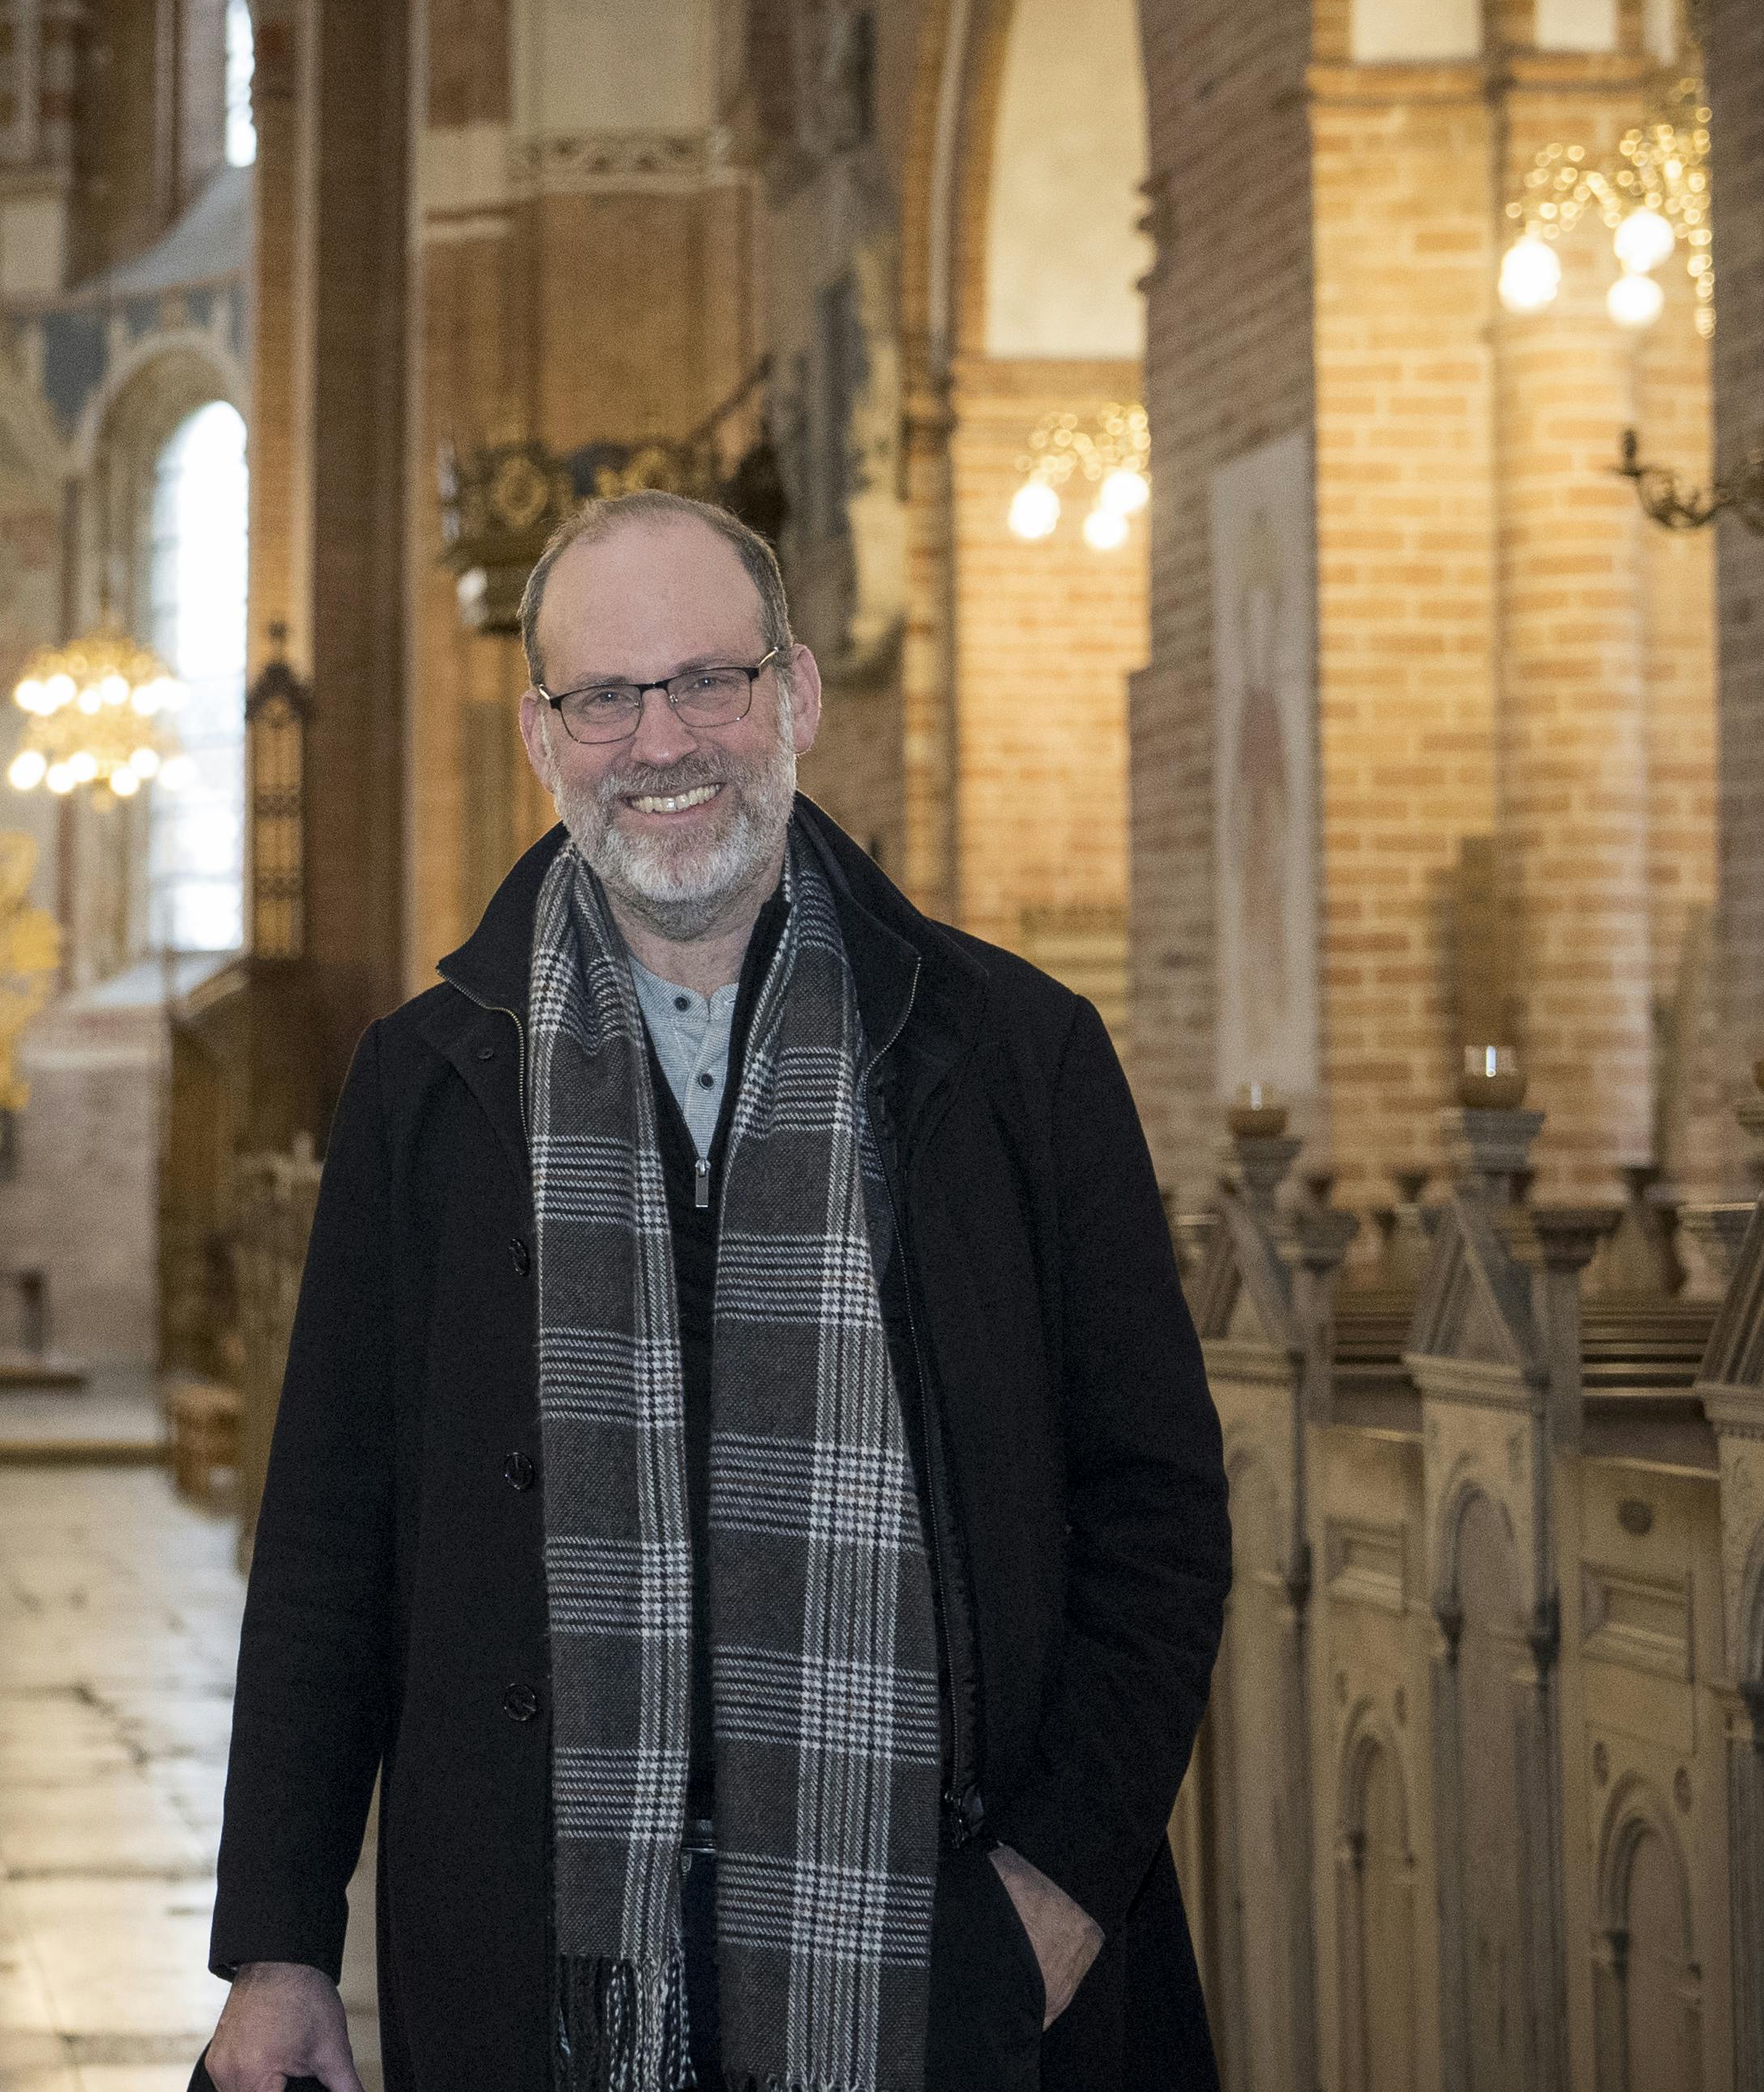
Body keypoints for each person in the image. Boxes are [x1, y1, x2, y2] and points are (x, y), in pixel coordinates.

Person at [199, 490, 1229, 2091]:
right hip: (542, 1968)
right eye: (601, 698)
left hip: (938, 1956)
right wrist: (277, 1943)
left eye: (704, 681)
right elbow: (332, 1541)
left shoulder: (1013, 1059)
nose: (657, 740)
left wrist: (1056, 1888)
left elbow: (1157, 1516)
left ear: (793, 696)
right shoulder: (427, 1084)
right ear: (542, 738)